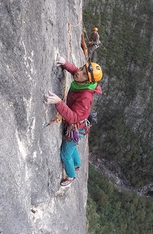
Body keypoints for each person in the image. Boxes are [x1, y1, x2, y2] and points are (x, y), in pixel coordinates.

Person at [44, 55, 103, 186]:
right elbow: (76, 71)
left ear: (88, 81)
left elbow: (74, 117)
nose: (79, 73)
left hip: (77, 127)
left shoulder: (85, 97)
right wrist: (65, 64)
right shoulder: (85, 82)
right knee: (71, 146)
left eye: (84, 74)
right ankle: (76, 164)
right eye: (82, 68)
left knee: (65, 154)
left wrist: (59, 102)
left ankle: (71, 176)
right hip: (80, 125)